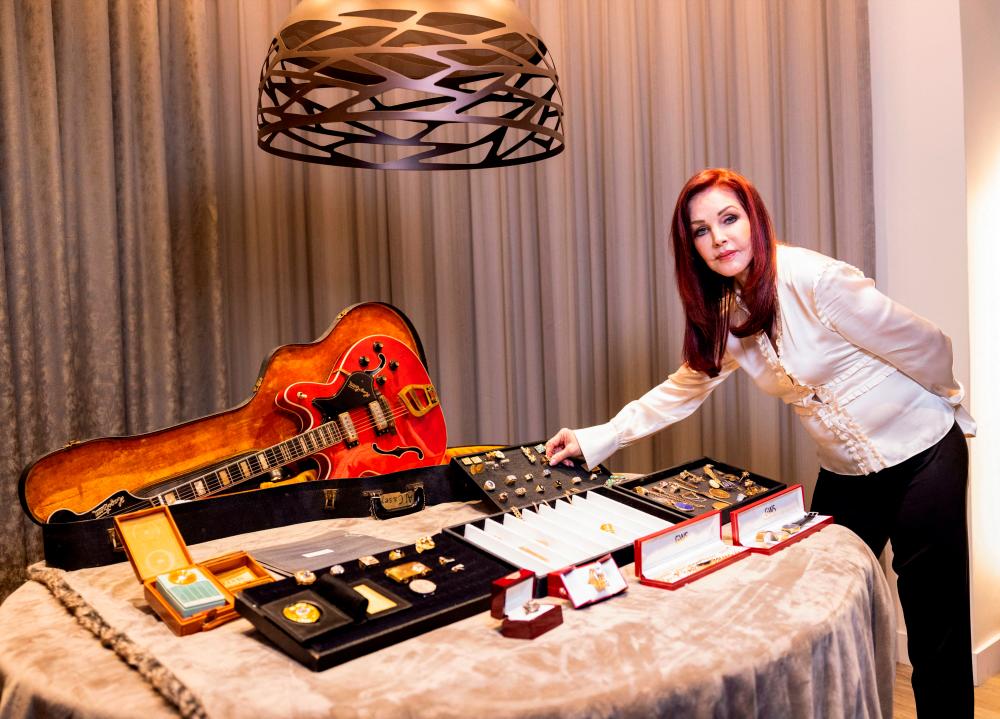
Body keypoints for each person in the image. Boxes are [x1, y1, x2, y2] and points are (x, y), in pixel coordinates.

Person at [545, 168, 976, 717]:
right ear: (691, 247)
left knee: (934, 622)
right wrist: (597, 438)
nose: (719, 238)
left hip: (923, 454)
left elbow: (925, 343)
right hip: (846, 472)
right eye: (701, 231)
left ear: (754, 220)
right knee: (823, 605)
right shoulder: (726, 313)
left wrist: (947, 403)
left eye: (729, 219)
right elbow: (684, 389)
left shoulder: (817, 278)